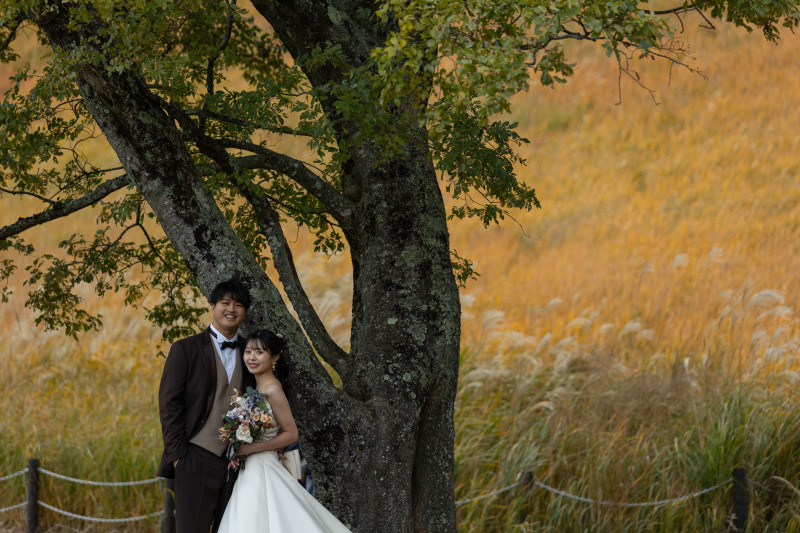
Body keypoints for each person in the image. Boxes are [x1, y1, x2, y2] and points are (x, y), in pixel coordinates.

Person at [217, 330, 351, 532]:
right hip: (251, 467)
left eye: (259, 352)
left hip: (263, 465)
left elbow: (291, 433)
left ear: (275, 357)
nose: (252, 358)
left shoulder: (272, 390)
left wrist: (254, 448)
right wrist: (238, 449)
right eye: (248, 352)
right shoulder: (256, 388)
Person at [157, 278, 254, 533]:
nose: (231, 309)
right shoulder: (186, 349)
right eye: (225, 302)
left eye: (238, 305)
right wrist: (178, 456)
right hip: (195, 456)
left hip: (237, 462)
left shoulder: (251, 352)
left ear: (245, 312)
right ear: (212, 305)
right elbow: (169, 404)